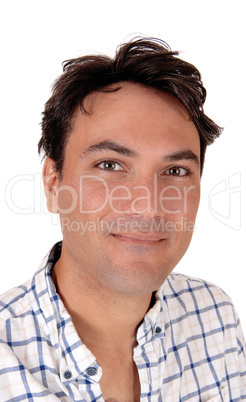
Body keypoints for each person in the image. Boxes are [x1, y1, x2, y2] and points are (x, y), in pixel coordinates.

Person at [0, 37, 245, 401]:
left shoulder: (214, 315)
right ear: (54, 184)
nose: (148, 207)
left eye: (175, 170)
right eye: (110, 165)